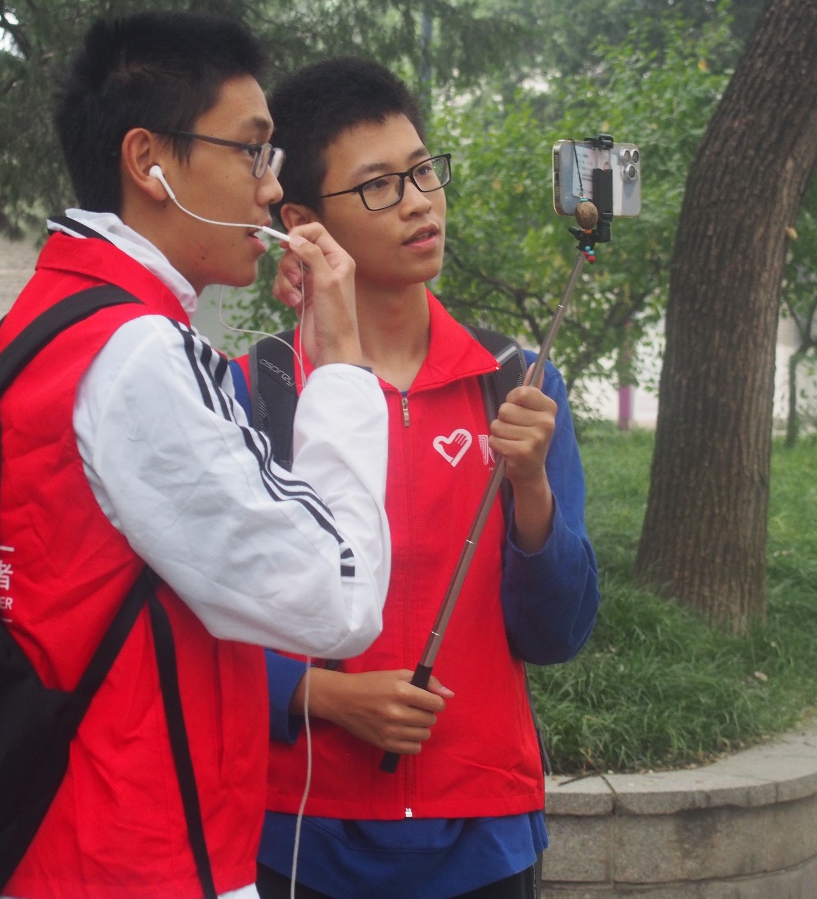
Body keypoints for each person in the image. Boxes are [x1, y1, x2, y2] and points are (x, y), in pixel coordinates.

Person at [0, 13, 390, 899]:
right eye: (252, 151)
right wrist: (342, 364)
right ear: (148, 161)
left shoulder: (55, 316)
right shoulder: (136, 351)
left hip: (63, 838)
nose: (273, 188)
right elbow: (336, 597)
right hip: (129, 856)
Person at [232, 57, 600, 899]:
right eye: (377, 187)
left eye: (424, 171)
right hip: (298, 831)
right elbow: (192, 630)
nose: (418, 202)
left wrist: (531, 491)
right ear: (302, 221)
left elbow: (557, 634)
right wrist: (319, 696)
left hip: (482, 835)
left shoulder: (518, 386)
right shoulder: (258, 393)